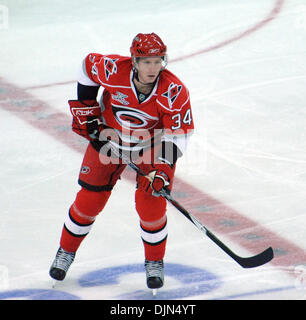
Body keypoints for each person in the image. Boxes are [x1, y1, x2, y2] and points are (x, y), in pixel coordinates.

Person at [49, 32, 194, 290]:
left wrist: (161, 171)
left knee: (151, 205)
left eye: (158, 61)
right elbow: (87, 65)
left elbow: (180, 136)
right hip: (109, 139)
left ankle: (154, 263)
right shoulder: (115, 69)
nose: (153, 68)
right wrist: (87, 108)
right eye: (146, 61)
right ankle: (65, 252)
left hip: (150, 146)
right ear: (134, 61)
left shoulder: (174, 91)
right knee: (88, 202)